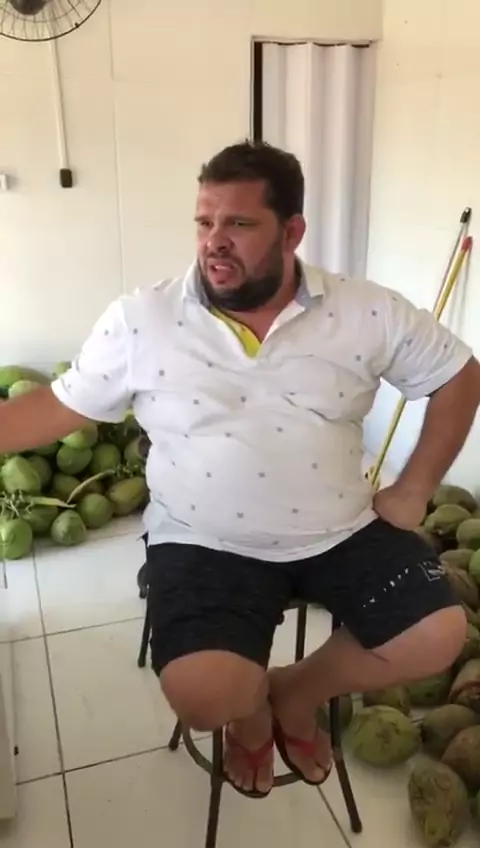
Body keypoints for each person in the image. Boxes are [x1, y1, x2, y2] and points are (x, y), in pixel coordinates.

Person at [1, 140, 478, 799]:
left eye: (239, 223)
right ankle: (249, 716)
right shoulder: (142, 320)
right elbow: (59, 406)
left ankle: (295, 692)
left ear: (292, 231)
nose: (214, 241)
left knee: (437, 634)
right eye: (204, 221)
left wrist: (415, 487)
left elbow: (459, 374)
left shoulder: (366, 311)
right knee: (205, 698)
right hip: (204, 537)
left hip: (339, 528)